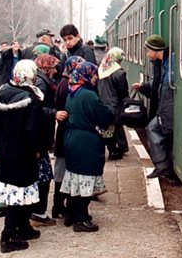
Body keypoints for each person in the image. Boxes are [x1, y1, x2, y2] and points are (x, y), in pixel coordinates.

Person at [0, 60, 45, 253]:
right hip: (23, 153)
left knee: (14, 191)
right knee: (19, 193)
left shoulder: (2, 93)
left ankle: (23, 227)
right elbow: (33, 129)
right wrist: (38, 148)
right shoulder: (31, 100)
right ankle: (8, 236)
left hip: (5, 151)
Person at [61, 61, 114, 232]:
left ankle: (71, 214)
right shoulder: (88, 95)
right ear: (86, 75)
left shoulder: (72, 92)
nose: (96, 78)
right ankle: (81, 219)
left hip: (71, 138)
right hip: (86, 142)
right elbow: (104, 116)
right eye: (93, 75)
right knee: (86, 179)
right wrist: (111, 112)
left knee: (75, 179)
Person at [132, 35, 177, 181]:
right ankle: (166, 167)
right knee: (156, 131)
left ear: (155, 50)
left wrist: (163, 115)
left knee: (152, 128)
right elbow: (158, 88)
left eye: (148, 50)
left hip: (166, 109)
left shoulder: (169, 65)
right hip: (163, 108)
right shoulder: (162, 64)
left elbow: (167, 92)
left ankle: (163, 166)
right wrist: (143, 87)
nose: (146, 54)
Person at [31, 53, 67, 226]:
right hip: (39, 137)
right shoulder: (40, 82)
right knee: (43, 178)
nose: (55, 70)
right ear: (45, 66)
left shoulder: (42, 79)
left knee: (43, 177)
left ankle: (38, 212)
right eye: (52, 67)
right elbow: (36, 109)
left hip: (42, 137)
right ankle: (38, 213)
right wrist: (54, 113)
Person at [52, 56, 85, 220]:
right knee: (63, 171)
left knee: (61, 171)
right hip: (68, 132)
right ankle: (58, 205)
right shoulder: (69, 85)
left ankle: (58, 205)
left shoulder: (63, 82)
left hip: (63, 132)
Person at [97, 47, 129, 160]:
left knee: (110, 127)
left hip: (103, 102)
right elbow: (123, 91)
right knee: (115, 126)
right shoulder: (118, 73)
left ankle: (119, 147)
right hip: (114, 103)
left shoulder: (102, 68)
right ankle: (115, 150)